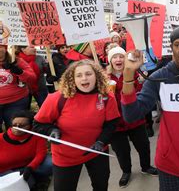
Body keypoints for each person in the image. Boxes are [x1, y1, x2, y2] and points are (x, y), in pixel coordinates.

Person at [120, 26, 179, 190]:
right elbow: (131, 115)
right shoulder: (160, 76)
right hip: (169, 163)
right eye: (177, 45)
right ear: (171, 46)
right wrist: (128, 74)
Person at [33, 59, 120, 191]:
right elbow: (38, 124)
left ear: (97, 75)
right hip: (65, 157)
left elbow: (111, 124)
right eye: (78, 75)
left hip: (96, 152)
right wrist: (52, 130)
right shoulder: (57, 98)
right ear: (72, 79)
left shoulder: (106, 96)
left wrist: (101, 141)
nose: (84, 78)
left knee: (101, 186)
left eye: (88, 74)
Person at [106, 46, 158, 187]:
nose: (118, 59)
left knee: (143, 146)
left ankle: (146, 167)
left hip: (135, 120)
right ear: (110, 61)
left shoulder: (135, 74)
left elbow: (142, 96)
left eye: (121, 56)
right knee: (122, 151)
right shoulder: (103, 77)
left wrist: (142, 81)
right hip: (115, 123)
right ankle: (126, 172)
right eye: (114, 57)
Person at [0, 111, 52, 189]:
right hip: (5, 171)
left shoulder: (37, 136)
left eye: (22, 125)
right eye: (14, 125)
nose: (17, 128)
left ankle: (38, 178)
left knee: (50, 164)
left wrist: (30, 167)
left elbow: (40, 154)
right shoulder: (1, 138)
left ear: (31, 126)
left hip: (28, 166)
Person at [0, 44, 36, 130]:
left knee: (15, 128)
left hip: (16, 102)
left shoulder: (17, 61)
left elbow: (32, 78)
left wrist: (20, 72)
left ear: (5, 49)